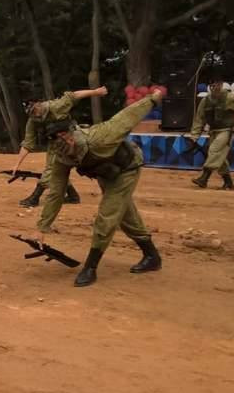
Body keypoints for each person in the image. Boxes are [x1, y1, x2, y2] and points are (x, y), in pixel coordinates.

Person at [27, 91, 164, 287]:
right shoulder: (61, 159)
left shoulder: (99, 137)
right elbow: (56, 193)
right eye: (55, 139)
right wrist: (41, 228)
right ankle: (152, 256)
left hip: (127, 168)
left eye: (64, 135)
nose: (62, 141)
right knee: (124, 214)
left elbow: (127, 116)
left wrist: (152, 99)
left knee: (107, 216)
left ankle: (90, 267)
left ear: (70, 132)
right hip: (106, 174)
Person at [11, 88, 106, 207]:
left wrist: (96, 92)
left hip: (73, 139)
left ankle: (35, 198)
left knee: (56, 169)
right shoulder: (33, 121)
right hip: (55, 145)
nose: (34, 114)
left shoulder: (56, 106)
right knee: (56, 169)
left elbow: (74, 96)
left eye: (34, 110)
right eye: (30, 113)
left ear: (39, 103)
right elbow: (28, 143)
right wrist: (17, 164)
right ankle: (73, 196)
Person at [185, 71, 234, 190]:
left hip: (226, 130)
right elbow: (199, 119)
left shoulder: (229, 97)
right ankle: (228, 182)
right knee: (220, 158)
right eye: (211, 85)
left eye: (216, 85)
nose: (214, 88)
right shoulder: (205, 101)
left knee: (214, 150)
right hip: (213, 131)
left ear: (221, 85)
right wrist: (194, 137)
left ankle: (204, 178)